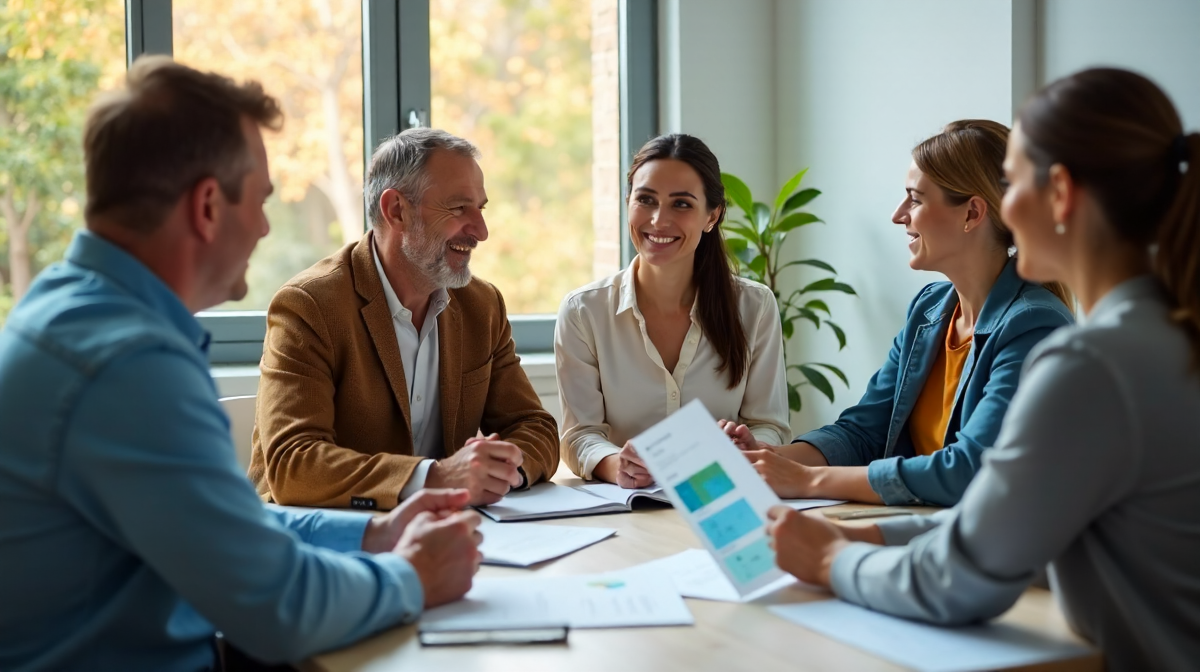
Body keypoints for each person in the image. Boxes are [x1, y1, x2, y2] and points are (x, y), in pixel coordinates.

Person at [0, 57, 482, 671]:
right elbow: (279, 607)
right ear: (206, 207)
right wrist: (412, 576)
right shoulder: (129, 364)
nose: (262, 227)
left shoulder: (70, 310)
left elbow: (231, 524)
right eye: (259, 201)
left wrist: (371, 535)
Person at [766, 68, 1200, 671]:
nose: (1007, 207)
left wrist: (829, 562)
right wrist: (864, 534)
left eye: (1014, 182)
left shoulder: (1090, 365)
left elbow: (965, 578)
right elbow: (1024, 524)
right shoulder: (1163, 336)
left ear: (1061, 195)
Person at [723, 120, 1074, 506]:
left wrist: (809, 480)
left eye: (916, 199)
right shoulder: (930, 309)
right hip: (916, 528)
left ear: (972, 213)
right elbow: (862, 432)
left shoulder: (1034, 325)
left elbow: (971, 469)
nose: (898, 214)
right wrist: (761, 459)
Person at [249, 128, 559, 510]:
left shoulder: (482, 305)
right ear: (396, 209)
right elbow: (292, 464)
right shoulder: (309, 306)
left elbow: (536, 427)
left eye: (481, 208)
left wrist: (501, 470)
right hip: (328, 545)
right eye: (459, 208)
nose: (481, 230)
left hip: (449, 535)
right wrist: (437, 478)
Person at [556, 133, 790, 488]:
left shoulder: (754, 307)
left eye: (681, 204)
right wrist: (618, 464)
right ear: (628, 202)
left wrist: (751, 446)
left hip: (721, 496)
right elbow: (579, 436)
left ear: (712, 216)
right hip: (627, 507)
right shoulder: (583, 312)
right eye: (646, 200)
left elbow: (769, 425)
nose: (658, 220)